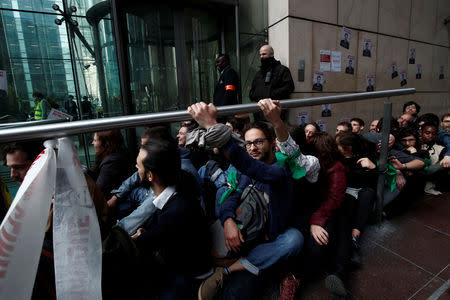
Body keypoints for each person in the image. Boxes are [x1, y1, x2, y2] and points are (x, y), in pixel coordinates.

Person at [188, 102, 303, 300]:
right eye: (248, 144)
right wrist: (228, 221)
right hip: (244, 234)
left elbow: (253, 168)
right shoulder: (242, 168)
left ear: (272, 142)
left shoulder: (280, 170)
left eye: (258, 142)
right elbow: (231, 194)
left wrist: (213, 128)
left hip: (267, 242)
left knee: (294, 239)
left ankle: (229, 270)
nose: (252, 148)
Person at [130, 139, 212, 299]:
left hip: (189, 278)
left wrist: (140, 238)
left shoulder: (177, 209)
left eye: (138, 166)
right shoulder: (178, 193)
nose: (136, 168)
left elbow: (146, 242)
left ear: (150, 176)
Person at [249, 45, 294, 121]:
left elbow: (289, 87)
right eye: (260, 55)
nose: (261, 57)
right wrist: (253, 95)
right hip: (259, 114)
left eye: (264, 54)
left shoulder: (282, 70)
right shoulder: (259, 73)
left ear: (272, 54)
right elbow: (253, 90)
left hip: (275, 114)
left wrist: (270, 95)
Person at [91, 130, 133, 201]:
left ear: (106, 144)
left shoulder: (111, 162)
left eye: (95, 140)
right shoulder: (116, 154)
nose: (92, 143)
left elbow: (98, 190)